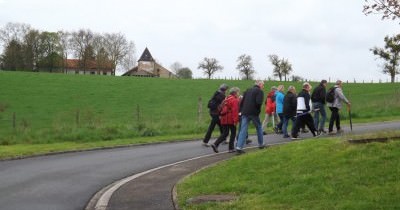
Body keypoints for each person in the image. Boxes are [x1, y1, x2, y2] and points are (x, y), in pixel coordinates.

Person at [236, 80, 266, 154]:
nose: (263, 86)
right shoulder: (259, 91)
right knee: (259, 127)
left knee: (243, 130)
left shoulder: (247, 90)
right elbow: (259, 102)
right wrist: (258, 111)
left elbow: (242, 102)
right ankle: (261, 144)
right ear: (260, 84)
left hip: (245, 112)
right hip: (254, 113)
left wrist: (241, 111)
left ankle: (239, 147)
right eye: (263, 85)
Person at [211, 87, 240, 153]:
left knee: (225, 133)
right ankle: (231, 148)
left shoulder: (226, 98)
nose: (238, 94)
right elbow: (235, 111)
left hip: (223, 118)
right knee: (233, 133)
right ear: (235, 93)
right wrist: (235, 120)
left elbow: (220, 108)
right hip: (230, 119)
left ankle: (215, 144)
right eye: (238, 92)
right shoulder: (234, 100)